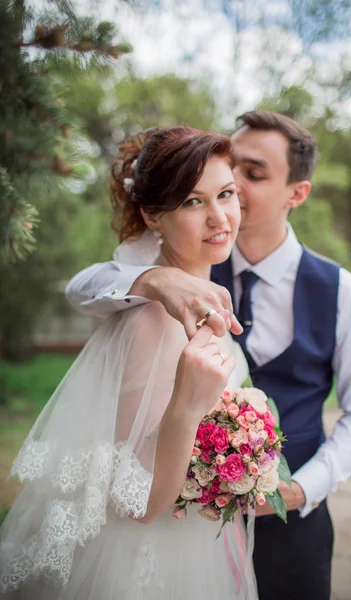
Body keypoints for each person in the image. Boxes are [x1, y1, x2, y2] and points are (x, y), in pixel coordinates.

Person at [65, 110, 351, 600]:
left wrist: (303, 488)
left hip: (289, 525)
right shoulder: (189, 249)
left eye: (251, 175)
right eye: (229, 168)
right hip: (179, 532)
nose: (231, 181)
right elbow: (81, 288)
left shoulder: (344, 293)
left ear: (296, 194)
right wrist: (152, 279)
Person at [0, 127, 259, 600]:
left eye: (225, 194)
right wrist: (185, 408)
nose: (220, 217)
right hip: (144, 558)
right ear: (152, 217)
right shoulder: (149, 322)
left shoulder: (210, 295)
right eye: (192, 202)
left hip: (203, 540)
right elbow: (136, 500)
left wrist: (238, 464)